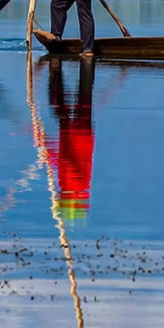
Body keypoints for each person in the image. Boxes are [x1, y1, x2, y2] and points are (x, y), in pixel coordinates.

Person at [45, 59, 95, 221]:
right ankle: (55, 69)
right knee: (79, 99)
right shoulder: (77, 185)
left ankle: (54, 70)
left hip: (73, 135)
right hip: (79, 135)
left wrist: (48, 152)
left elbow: (63, 161)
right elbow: (67, 162)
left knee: (60, 103)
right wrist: (50, 154)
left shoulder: (70, 185)